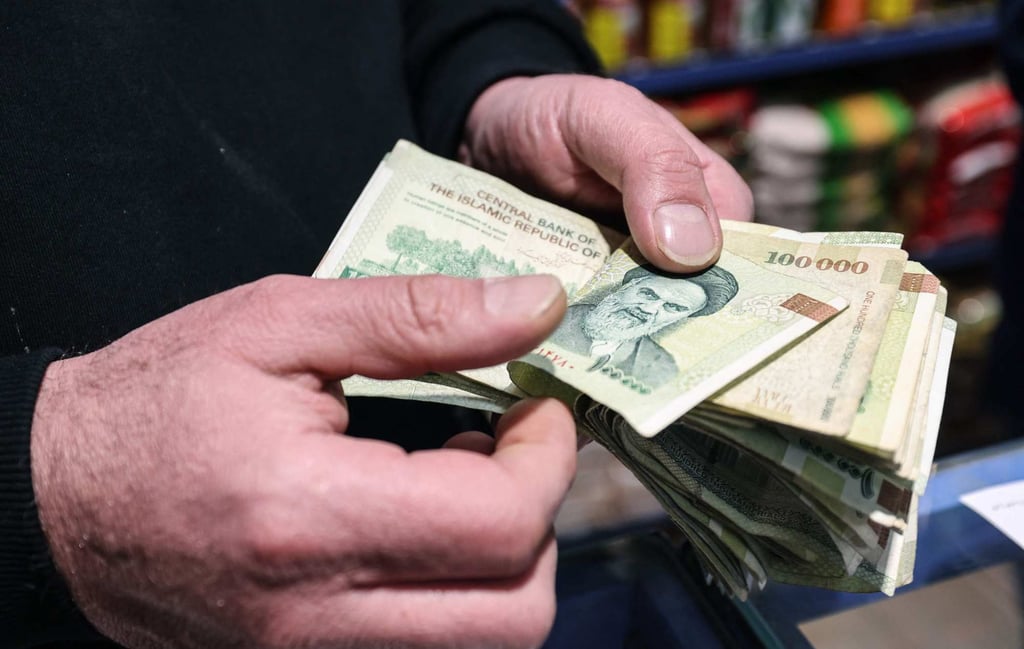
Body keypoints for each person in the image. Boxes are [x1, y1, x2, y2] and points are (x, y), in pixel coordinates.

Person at [0, 2, 752, 648]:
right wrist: (46, 475)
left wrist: (495, 78)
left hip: (442, 499)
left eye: (665, 308)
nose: (647, 306)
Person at [550, 265, 739, 388]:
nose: (648, 309)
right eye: (649, 294)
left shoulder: (661, 367)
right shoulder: (552, 317)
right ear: (628, 286)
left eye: (673, 307)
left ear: (682, 318)